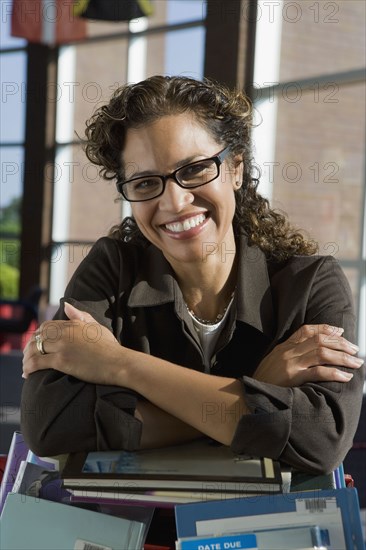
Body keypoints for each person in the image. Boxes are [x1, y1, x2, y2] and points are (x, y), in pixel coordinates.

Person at [21, 75, 364, 476]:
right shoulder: (111, 269)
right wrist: (251, 390)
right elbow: (49, 425)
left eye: (196, 169)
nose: (175, 201)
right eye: (146, 182)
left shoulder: (310, 284)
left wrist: (119, 365)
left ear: (235, 169)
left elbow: (320, 439)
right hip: (142, 530)